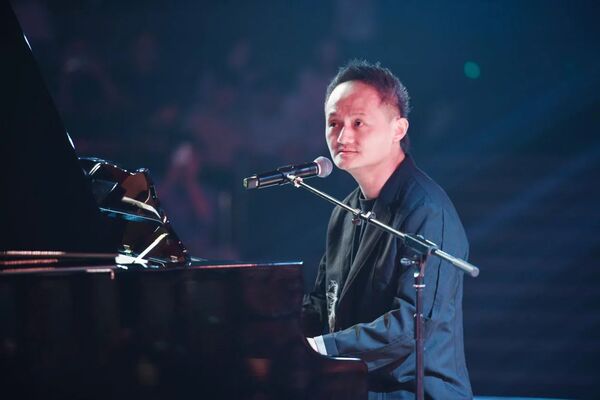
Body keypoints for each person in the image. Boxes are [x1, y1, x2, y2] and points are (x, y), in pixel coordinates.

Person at [302, 60, 472, 399]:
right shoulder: (343, 212)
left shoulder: (427, 210)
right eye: (333, 123)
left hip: (413, 392)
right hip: (355, 387)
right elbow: (323, 304)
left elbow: (412, 324)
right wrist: (270, 330)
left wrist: (321, 347)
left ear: (398, 129)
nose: (342, 136)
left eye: (358, 122)